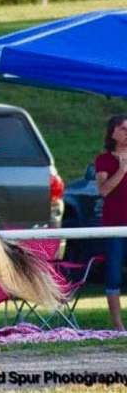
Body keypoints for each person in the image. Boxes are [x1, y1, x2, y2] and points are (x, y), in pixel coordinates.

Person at [94, 114, 127, 331]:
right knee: (114, 273)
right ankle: (117, 324)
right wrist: (122, 171)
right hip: (115, 225)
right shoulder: (103, 160)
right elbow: (103, 191)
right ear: (113, 132)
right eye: (124, 128)